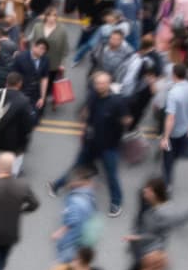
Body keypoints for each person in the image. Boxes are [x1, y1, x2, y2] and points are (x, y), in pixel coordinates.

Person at [48, 71, 129, 217]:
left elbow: (126, 120)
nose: (99, 86)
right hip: (91, 142)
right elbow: (87, 113)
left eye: (103, 83)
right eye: (97, 83)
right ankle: (56, 185)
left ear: (109, 83)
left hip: (109, 146)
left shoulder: (118, 102)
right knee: (77, 166)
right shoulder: (92, 96)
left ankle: (116, 202)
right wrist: (83, 128)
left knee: (111, 175)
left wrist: (120, 125)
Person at [159, 64, 188, 190]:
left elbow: (170, 118)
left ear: (174, 75)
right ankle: (174, 158)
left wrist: (165, 138)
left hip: (173, 133)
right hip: (186, 130)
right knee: (177, 153)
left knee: (167, 160)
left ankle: (167, 183)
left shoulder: (173, 93)